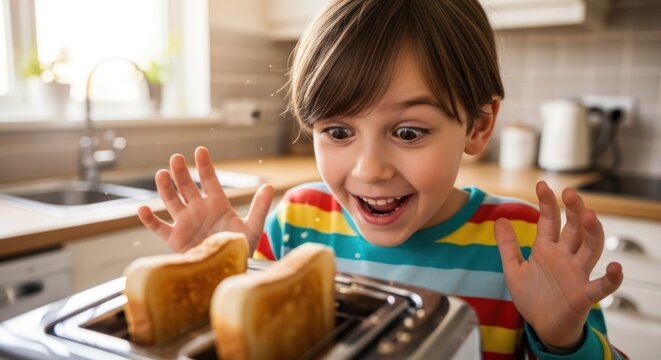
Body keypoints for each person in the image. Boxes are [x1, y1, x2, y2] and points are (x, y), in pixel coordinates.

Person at [137, 0, 626, 358]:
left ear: (478, 125)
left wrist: (563, 340)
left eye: (409, 131)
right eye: (338, 131)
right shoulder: (295, 223)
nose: (369, 169)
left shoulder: (521, 246)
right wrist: (216, 283)